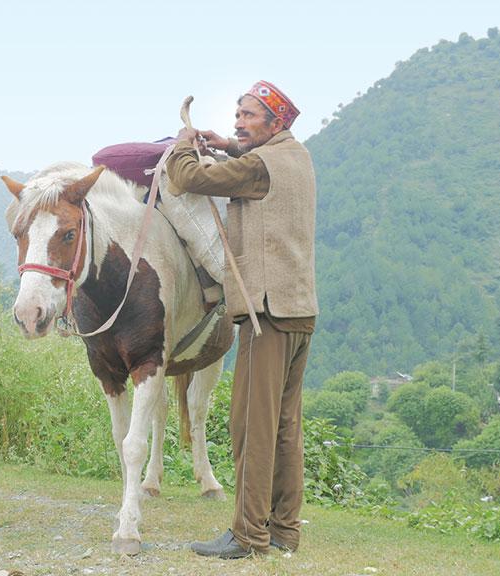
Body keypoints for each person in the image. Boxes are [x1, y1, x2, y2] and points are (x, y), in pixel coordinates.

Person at [165, 80, 318, 559]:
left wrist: (182, 147)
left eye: (249, 115)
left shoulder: (259, 166)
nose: (238, 121)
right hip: (299, 309)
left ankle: (248, 534)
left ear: (275, 123)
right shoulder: (297, 157)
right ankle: (283, 531)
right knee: (284, 426)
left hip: (264, 312)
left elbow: (191, 180)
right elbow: (250, 161)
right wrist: (231, 144)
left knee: (250, 424)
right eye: (238, 113)